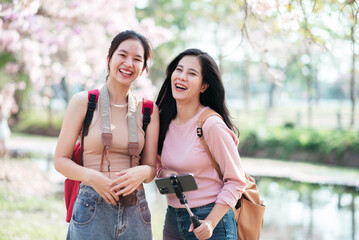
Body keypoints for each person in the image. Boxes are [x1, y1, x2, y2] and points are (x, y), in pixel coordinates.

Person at [54, 30, 159, 240]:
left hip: (135, 208)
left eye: (137, 59)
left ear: (143, 69)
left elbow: (151, 169)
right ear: (109, 60)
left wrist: (142, 172)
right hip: (91, 204)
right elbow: (60, 161)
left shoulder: (149, 110)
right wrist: (91, 177)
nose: (129, 63)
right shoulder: (83, 102)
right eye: (123, 55)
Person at [156, 48, 247, 240]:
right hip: (173, 217)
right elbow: (157, 163)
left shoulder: (211, 125)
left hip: (210, 220)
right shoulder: (163, 120)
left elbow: (237, 181)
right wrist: (165, 174)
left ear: (203, 86)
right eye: (179, 70)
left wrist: (211, 222)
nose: (182, 77)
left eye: (191, 73)